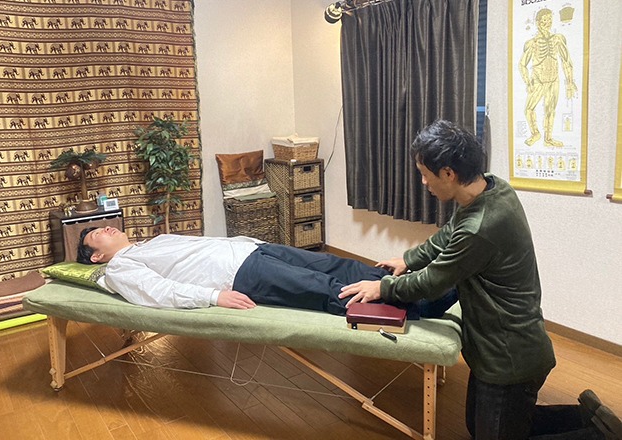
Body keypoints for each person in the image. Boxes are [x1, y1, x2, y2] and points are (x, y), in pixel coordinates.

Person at [339, 120, 621, 439]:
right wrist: (408, 259)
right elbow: (449, 234)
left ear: (448, 173)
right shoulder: (492, 188)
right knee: (484, 427)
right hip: (503, 347)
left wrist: (382, 287)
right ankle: (588, 416)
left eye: (425, 174)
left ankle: (601, 434)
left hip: (509, 357)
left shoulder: (480, 228)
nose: (423, 182)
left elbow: (432, 282)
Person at [76, 227, 456, 317]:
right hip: (241, 275)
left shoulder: (151, 241)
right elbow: (155, 291)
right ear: (96, 257)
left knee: (338, 264)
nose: (105, 228)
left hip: (253, 250)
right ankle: (419, 306)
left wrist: (251, 242)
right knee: (322, 287)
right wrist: (213, 296)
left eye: (104, 226)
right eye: (96, 235)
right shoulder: (120, 267)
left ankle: (410, 284)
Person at [518, 8, 578, 147]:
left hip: (554, 79)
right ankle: (535, 133)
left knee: (550, 109)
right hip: (539, 80)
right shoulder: (532, 43)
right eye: (544, 20)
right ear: (538, 22)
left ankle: (548, 138)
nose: (548, 22)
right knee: (529, 109)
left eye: (550, 19)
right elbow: (522, 64)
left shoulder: (558, 39)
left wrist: (570, 82)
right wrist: (528, 82)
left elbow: (566, 61)